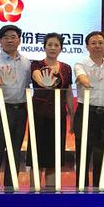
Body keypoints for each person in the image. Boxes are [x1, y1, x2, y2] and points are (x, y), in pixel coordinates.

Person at [0, 24, 31, 189]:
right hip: (0, 108)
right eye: (5, 37)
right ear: (0, 40)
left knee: (15, 151)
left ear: (19, 40)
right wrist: (2, 81)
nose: (10, 40)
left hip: (20, 110)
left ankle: (11, 190)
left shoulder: (26, 62)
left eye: (13, 37)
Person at [27, 33, 74, 189]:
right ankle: (34, 193)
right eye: (50, 45)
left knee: (54, 157)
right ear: (44, 47)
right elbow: (37, 77)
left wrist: (72, 116)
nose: (53, 48)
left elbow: (68, 93)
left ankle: (51, 193)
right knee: (36, 156)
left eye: (56, 45)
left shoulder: (66, 68)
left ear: (61, 48)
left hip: (58, 116)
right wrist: (45, 83)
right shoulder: (36, 64)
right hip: (39, 116)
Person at [74, 31, 104, 189]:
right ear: (87, 46)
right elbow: (81, 77)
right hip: (85, 112)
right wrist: (87, 82)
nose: (97, 46)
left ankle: (101, 192)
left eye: (100, 43)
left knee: (102, 156)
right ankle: (81, 192)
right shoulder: (80, 64)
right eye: (93, 43)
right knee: (83, 156)